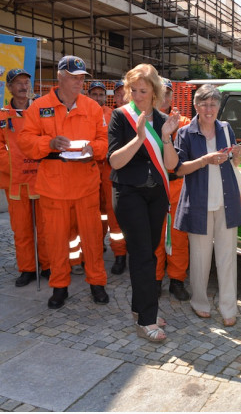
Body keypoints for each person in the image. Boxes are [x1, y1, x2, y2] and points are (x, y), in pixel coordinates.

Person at [17, 55, 109, 309]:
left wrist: (94, 149)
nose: (79, 82)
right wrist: (49, 144)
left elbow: (104, 140)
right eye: (74, 77)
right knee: (56, 241)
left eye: (82, 78)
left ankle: (97, 284)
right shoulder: (39, 107)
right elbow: (25, 141)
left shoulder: (92, 107)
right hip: (53, 187)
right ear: (60, 76)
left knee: (92, 239)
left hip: (86, 184)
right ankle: (59, 287)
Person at [107, 64, 180, 343]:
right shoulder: (120, 117)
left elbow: (172, 165)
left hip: (156, 195)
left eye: (143, 91)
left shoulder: (163, 120)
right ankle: (147, 319)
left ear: (154, 92)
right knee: (141, 255)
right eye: (133, 90)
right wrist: (139, 138)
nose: (137, 96)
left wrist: (166, 138)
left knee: (148, 252)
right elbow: (115, 161)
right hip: (129, 194)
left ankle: (140, 309)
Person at [174, 84, 241, 327]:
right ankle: (199, 302)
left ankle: (228, 307)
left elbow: (236, 162)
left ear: (218, 107)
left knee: (227, 259)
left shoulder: (226, 129)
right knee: (200, 259)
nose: (209, 108)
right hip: (199, 203)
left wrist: (237, 155)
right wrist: (204, 160)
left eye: (213, 104)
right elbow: (179, 169)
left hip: (227, 202)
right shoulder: (185, 133)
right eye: (203, 104)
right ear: (195, 106)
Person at [0, 68, 50, 285]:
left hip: (41, 179)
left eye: (26, 82)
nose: (23, 86)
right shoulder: (2, 116)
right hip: (15, 182)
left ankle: (48, 265)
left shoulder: (41, 110)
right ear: (9, 87)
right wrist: (11, 165)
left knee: (45, 226)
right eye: (18, 83)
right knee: (21, 229)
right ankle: (27, 268)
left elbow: (50, 137)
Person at [154, 78, 191, 301]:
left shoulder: (184, 122)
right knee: (156, 238)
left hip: (178, 186)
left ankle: (177, 280)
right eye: (161, 93)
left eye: (168, 93)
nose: (165, 98)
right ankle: (156, 280)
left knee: (178, 238)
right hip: (155, 186)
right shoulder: (146, 121)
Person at [88, 81, 127, 275]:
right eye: (93, 94)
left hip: (110, 170)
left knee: (113, 213)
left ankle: (120, 254)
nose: (97, 98)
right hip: (91, 170)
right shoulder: (85, 114)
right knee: (95, 214)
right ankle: (96, 248)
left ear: (105, 96)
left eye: (100, 94)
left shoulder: (114, 115)